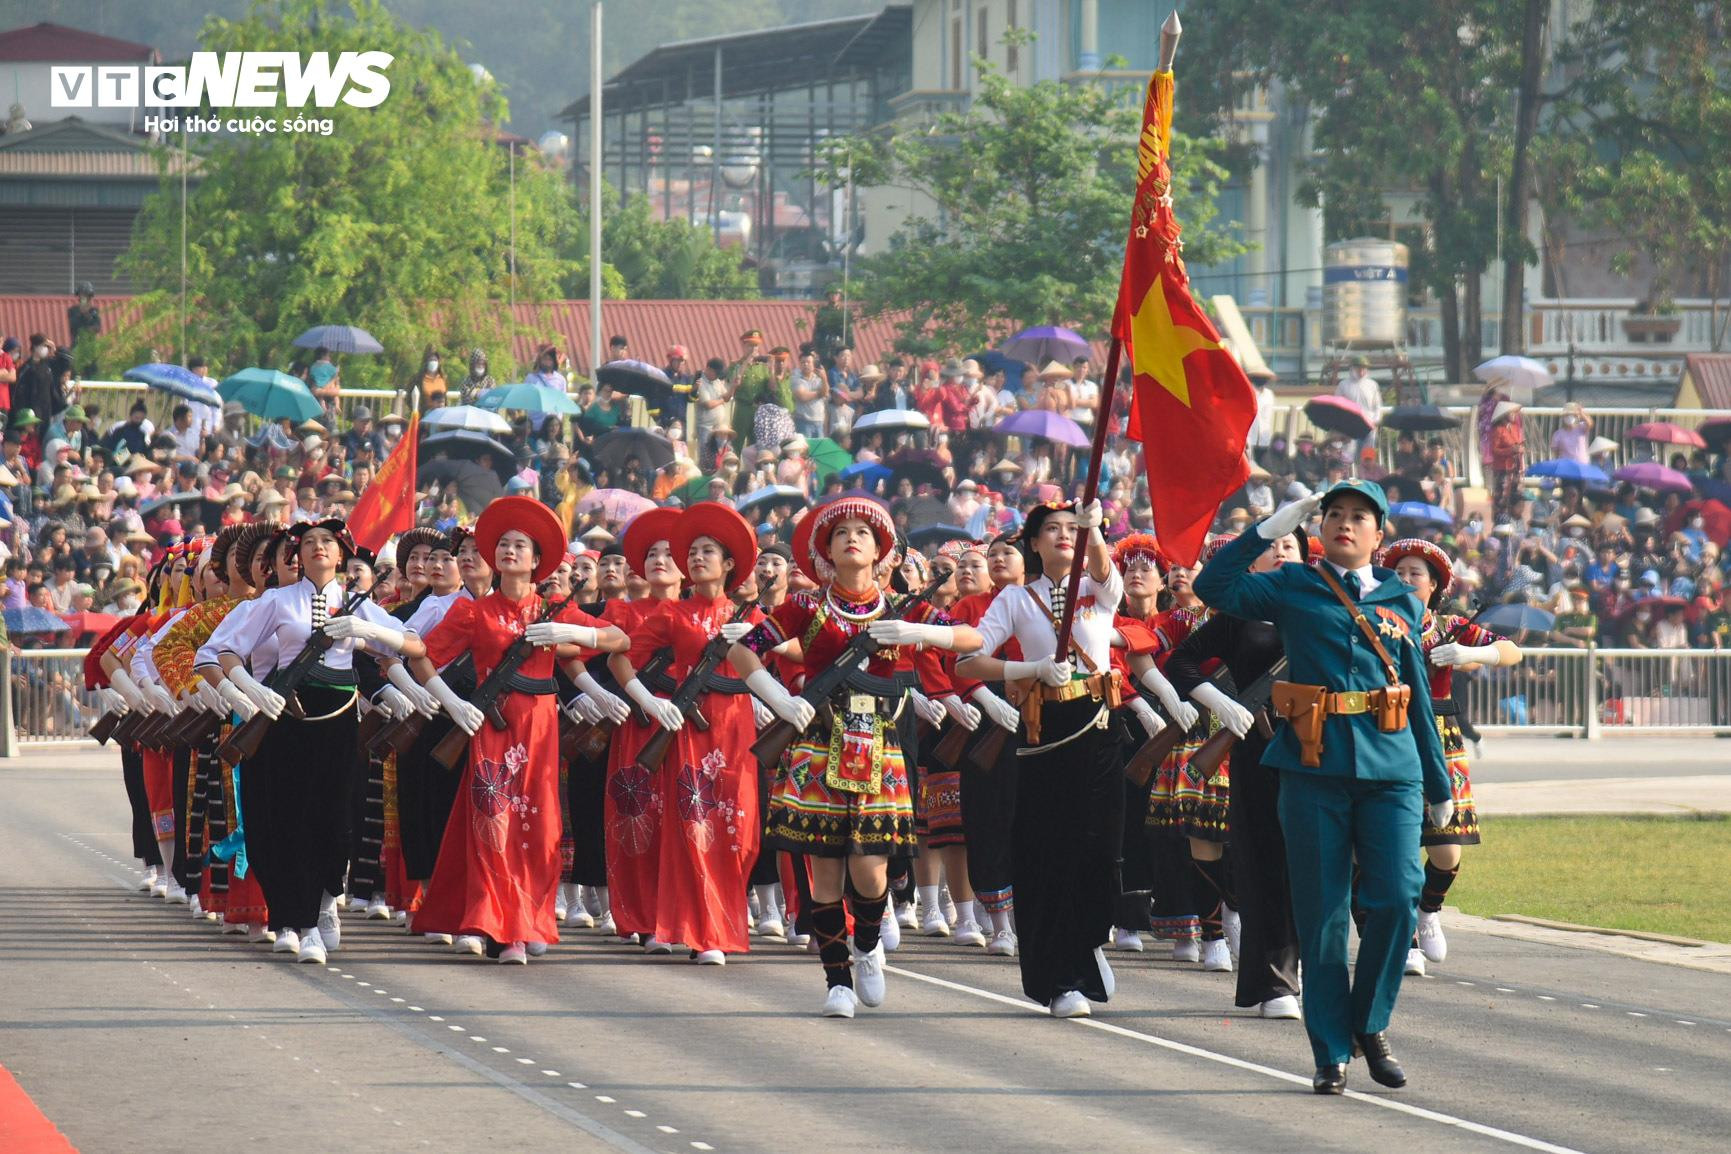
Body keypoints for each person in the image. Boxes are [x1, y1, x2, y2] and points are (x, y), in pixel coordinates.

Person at [1195, 480, 1450, 1095]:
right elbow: (1213, 586)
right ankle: (1330, 1050)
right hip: (1312, 767)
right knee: (1324, 913)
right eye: (1333, 513)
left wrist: (1437, 779)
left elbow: (1412, 688)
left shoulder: (1401, 598)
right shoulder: (1294, 584)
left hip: (1391, 768)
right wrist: (1264, 527)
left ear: (1378, 534)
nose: (1344, 522)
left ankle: (1370, 1021)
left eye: (1359, 515)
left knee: (1395, 899)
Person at [342, 498, 626, 962]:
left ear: (537, 561)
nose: (510, 551)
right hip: (492, 723)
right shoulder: (475, 611)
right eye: (504, 545)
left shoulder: (553, 608)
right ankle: (494, 923)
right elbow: (420, 650)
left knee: (541, 826)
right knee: (491, 820)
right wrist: (448, 698)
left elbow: (621, 640)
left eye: (521, 546)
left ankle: (529, 917)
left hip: (539, 725)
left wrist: (575, 637)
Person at [729, 496, 967, 1018]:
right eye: (841, 534)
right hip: (818, 739)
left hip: (877, 744)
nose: (852, 539)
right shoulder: (806, 606)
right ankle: (836, 980)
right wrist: (777, 697)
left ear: (881, 550)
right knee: (825, 867)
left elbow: (970, 638)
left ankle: (865, 944)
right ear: (827, 552)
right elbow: (742, 648)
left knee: (871, 867)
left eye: (863, 532)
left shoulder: (902, 609)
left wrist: (919, 633)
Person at [944, 498, 1126, 1019]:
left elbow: (1104, 572)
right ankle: (1061, 975)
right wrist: (1028, 671)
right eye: (1052, 529)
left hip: (1101, 727)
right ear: (1035, 543)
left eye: (1072, 527)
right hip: (1047, 733)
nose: (1063, 535)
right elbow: (971, 659)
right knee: (1052, 852)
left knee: (1102, 849)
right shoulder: (1017, 600)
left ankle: (1089, 939)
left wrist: (1095, 532)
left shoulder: (1097, 589)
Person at [604, 502, 764, 964]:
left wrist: (762, 644)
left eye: (707, 550)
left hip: (737, 730)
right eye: (691, 551)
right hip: (690, 730)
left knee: (741, 830)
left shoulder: (746, 615)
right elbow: (621, 653)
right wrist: (646, 698)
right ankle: (703, 932)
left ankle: (721, 918)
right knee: (696, 826)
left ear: (729, 563)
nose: (696, 558)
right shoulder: (674, 614)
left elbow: (788, 654)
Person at [1380, 538, 1521, 975]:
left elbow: (1512, 651)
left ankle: (1429, 909)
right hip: (1389, 730)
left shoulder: (1449, 626)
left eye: (1415, 574)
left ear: (1434, 586)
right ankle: (1402, 940)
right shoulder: (1373, 623)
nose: (1404, 580)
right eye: (1398, 573)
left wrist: (1468, 653)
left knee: (1447, 850)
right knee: (1394, 845)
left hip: (1441, 735)